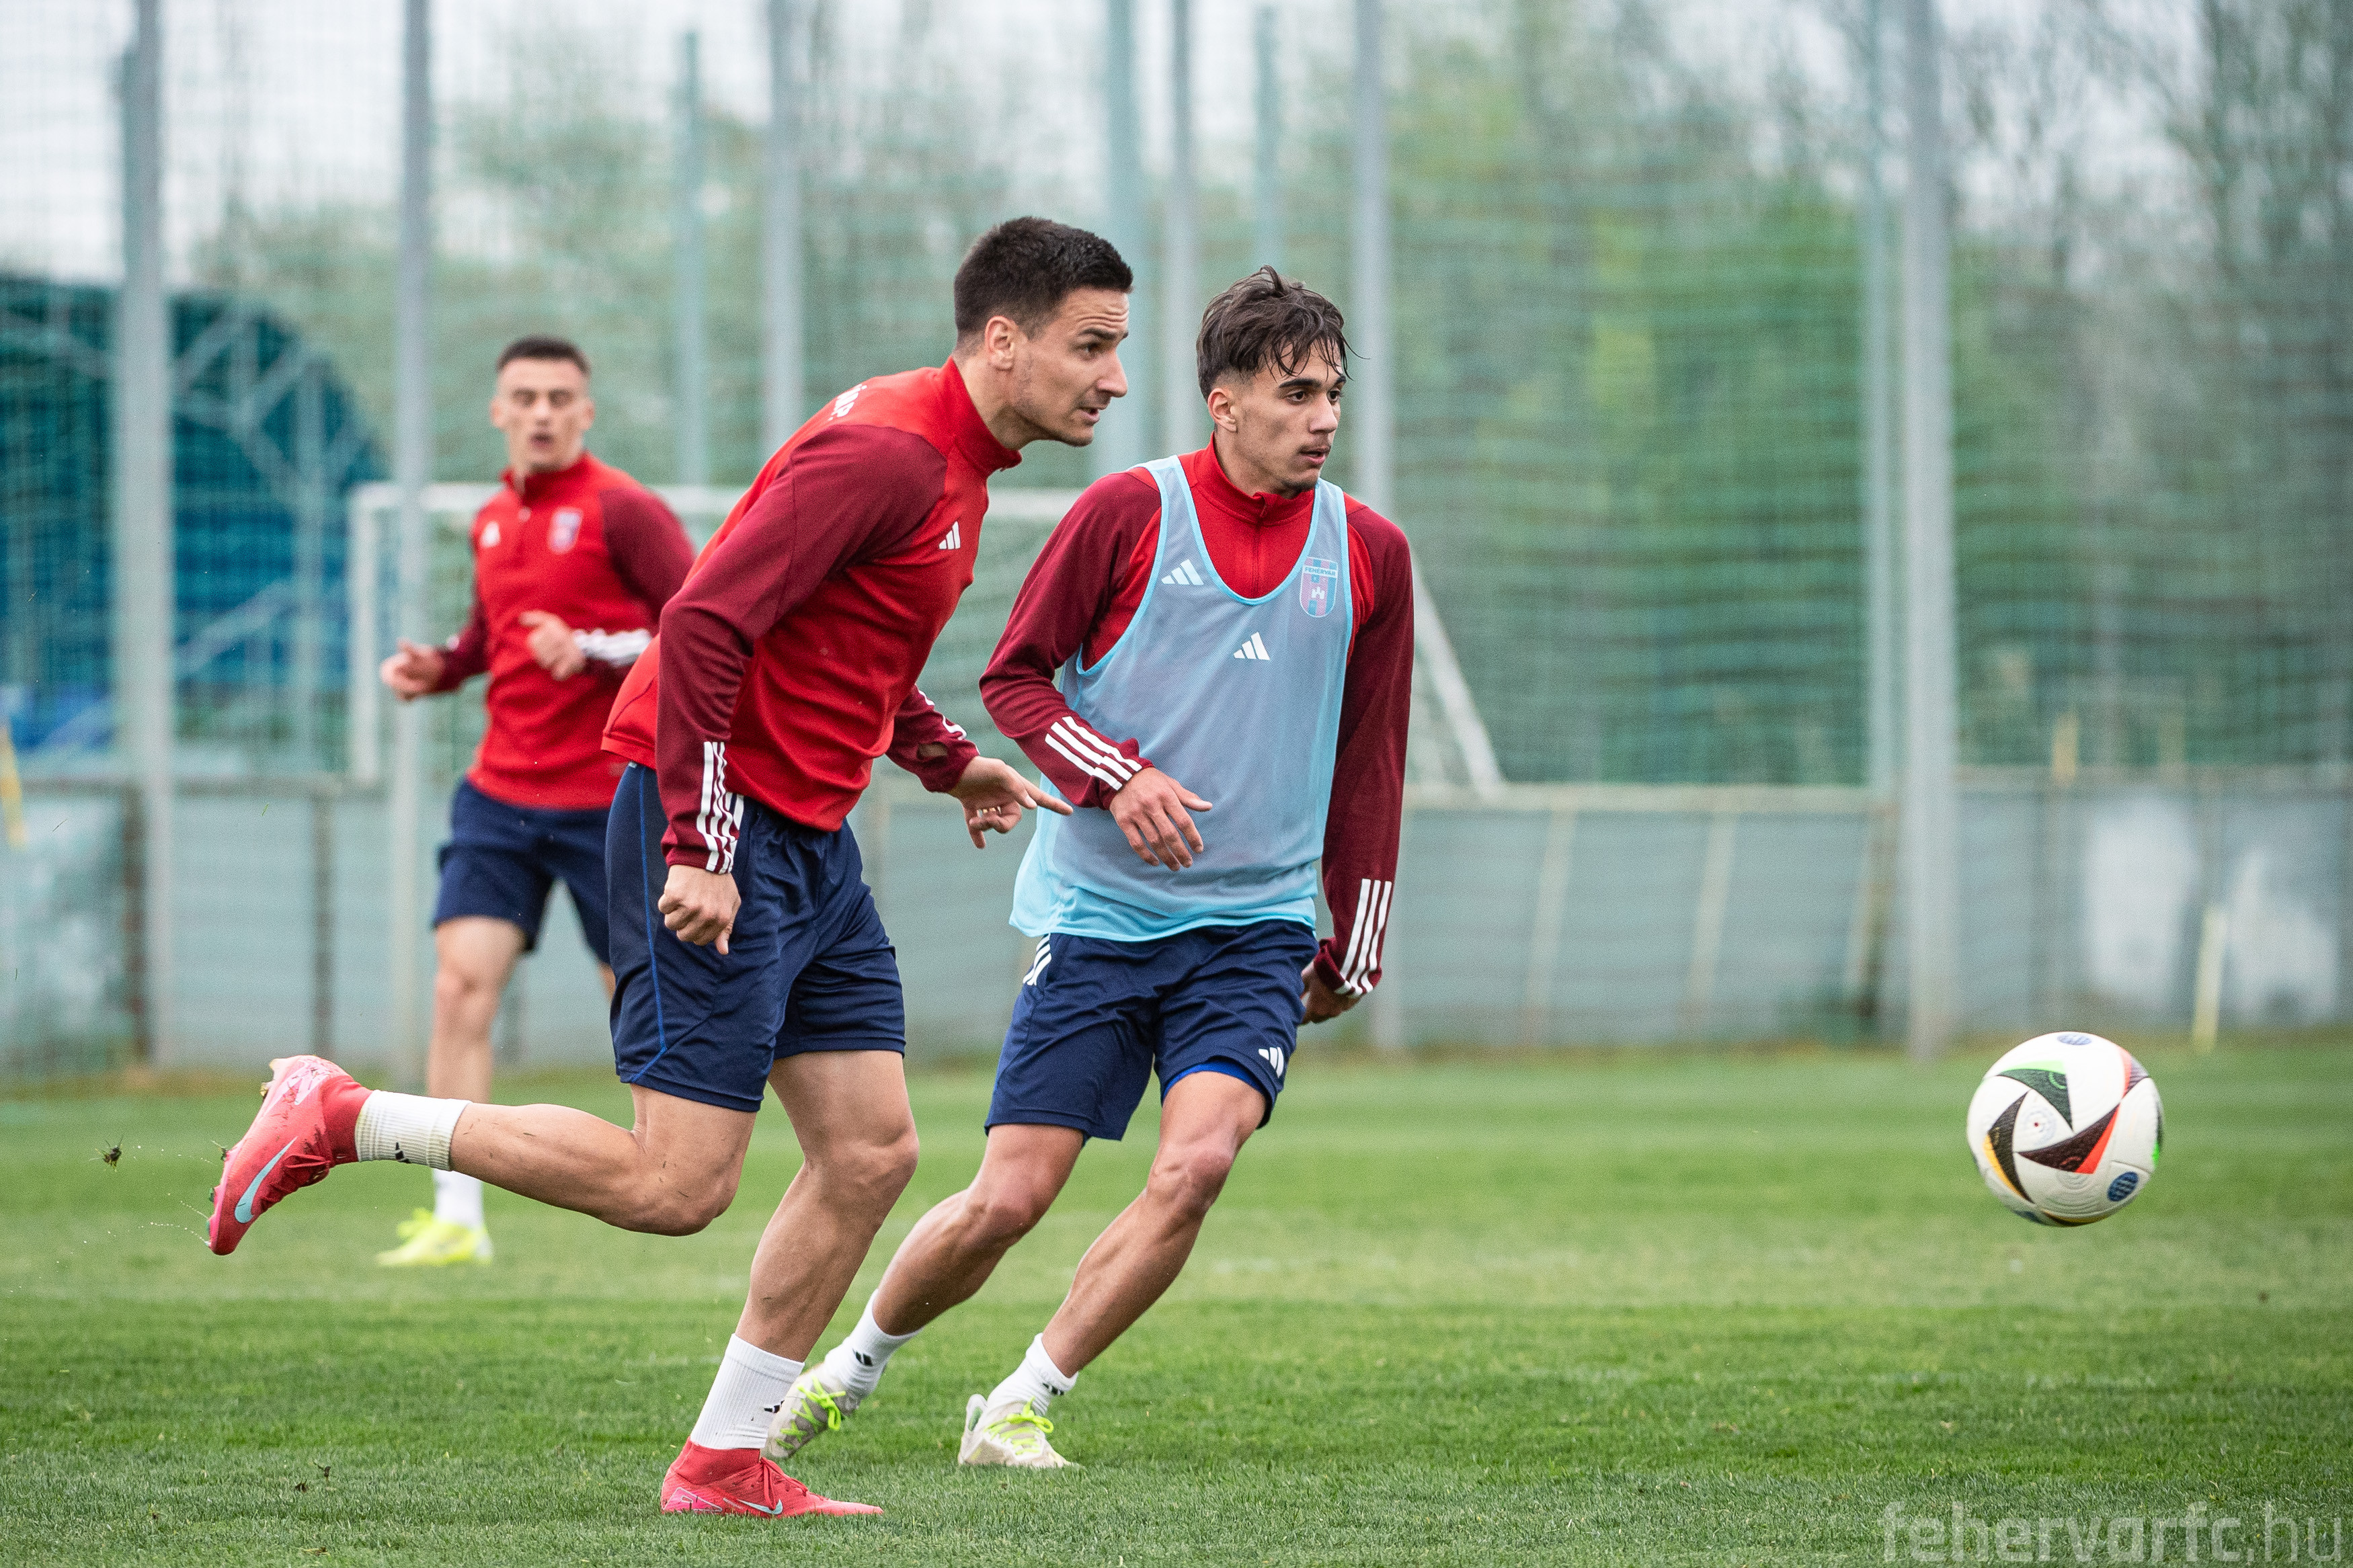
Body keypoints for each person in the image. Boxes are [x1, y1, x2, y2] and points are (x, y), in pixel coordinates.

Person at [207, 218, 1133, 1518]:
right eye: (1092, 347)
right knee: (677, 1183)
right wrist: (701, 843)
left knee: (871, 1151)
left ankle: (723, 1459)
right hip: (723, 816)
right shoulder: (889, 451)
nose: (1113, 379)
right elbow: (703, 621)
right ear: (1002, 340)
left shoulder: (954, 466)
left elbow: (846, 644)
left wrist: (945, 759)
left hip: (811, 837)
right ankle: (346, 1115)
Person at [772, 267, 1412, 1470]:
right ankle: (849, 1368)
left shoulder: (1372, 550)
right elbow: (1014, 675)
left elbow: (1373, 757)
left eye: (1333, 393)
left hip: (1258, 927)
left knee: (1199, 1163)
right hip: (1102, 916)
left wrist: (1357, 936)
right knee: (1009, 1197)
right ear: (1224, 401)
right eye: (1296, 393)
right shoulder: (1127, 513)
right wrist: (1121, 777)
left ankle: (1021, 1400)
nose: (1324, 417)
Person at [375, 335, 693, 1268]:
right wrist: (441, 667)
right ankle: (456, 1215)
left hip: (610, 797)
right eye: (525, 397)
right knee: (459, 986)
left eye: (560, 397)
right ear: (498, 411)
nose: (543, 412)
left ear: (586, 412)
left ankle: (662, 1170)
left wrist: (592, 650)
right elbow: (491, 638)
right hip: (499, 794)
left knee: (632, 995)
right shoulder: (489, 520)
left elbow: (702, 625)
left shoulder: (624, 509)